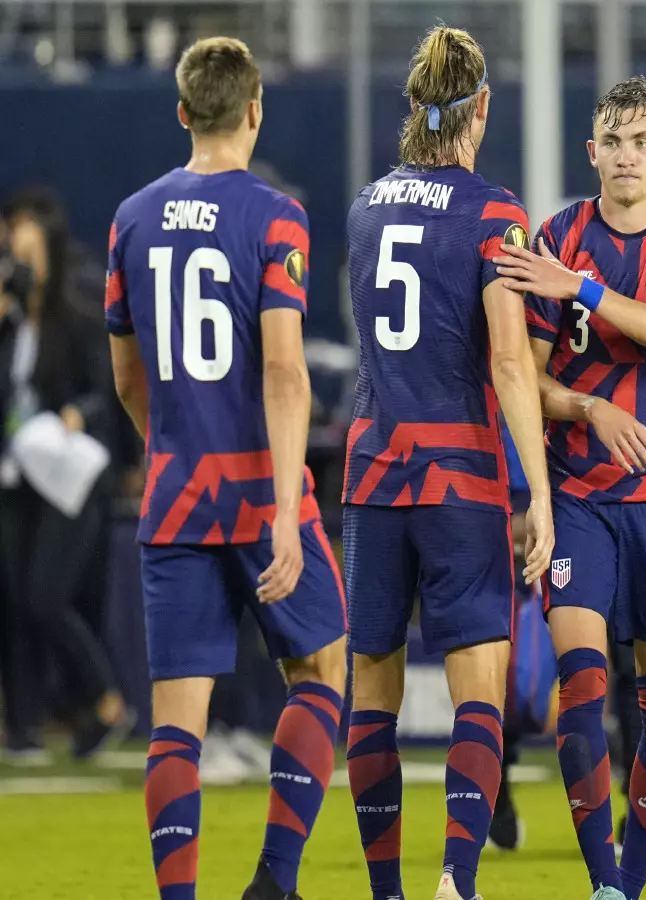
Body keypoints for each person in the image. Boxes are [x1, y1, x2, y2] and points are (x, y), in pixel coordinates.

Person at [106, 37, 348, 900]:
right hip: (257, 489)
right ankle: (274, 881)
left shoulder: (131, 218)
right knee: (322, 671)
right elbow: (285, 372)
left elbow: (128, 378)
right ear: (254, 110)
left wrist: (170, 449)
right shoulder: (276, 215)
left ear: (182, 113)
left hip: (175, 496)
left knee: (177, 725)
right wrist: (287, 509)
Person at [340, 26, 553, 900]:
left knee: (372, 695)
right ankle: (454, 882)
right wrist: (536, 488)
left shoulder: (363, 205)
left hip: (373, 470)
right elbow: (509, 362)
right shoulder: (496, 213)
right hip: (459, 472)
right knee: (478, 690)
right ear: (483, 107)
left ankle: (386, 891)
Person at [496, 75, 646, 900]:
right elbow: (531, 381)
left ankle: (629, 884)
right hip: (579, 497)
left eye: (641, 143)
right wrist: (589, 407)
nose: (626, 158)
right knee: (582, 692)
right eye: (612, 143)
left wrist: (581, 288)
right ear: (592, 153)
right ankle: (601, 885)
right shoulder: (555, 235)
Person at [0, 188, 131, 763]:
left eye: (29, 249)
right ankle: (24, 725)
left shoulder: (76, 309)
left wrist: (80, 412)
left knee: (45, 597)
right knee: (15, 600)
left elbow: (106, 390)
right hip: (18, 475)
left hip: (71, 474)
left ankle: (103, 701)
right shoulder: (8, 325)